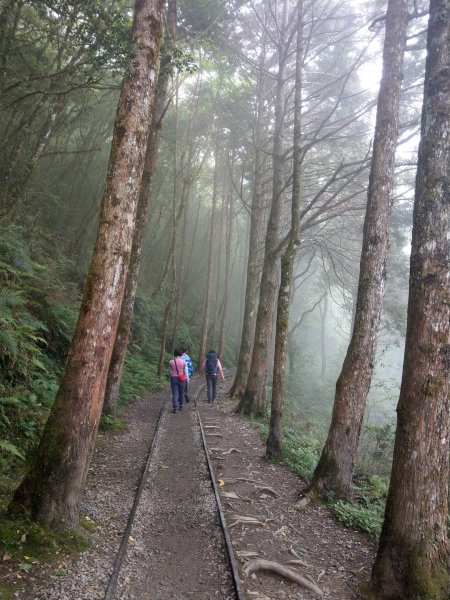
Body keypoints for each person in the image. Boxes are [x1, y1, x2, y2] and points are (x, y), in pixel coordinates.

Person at [169, 348, 187, 413]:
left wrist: (170, 377)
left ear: (174, 353)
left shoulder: (171, 362)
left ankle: (175, 407)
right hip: (182, 378)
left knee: (175, 393)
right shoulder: (184, 362)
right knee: (181, 392)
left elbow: (170, 371)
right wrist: (187, 378)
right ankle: (181, 405)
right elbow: (185, 371)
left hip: (174, 378)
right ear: (181, 354)